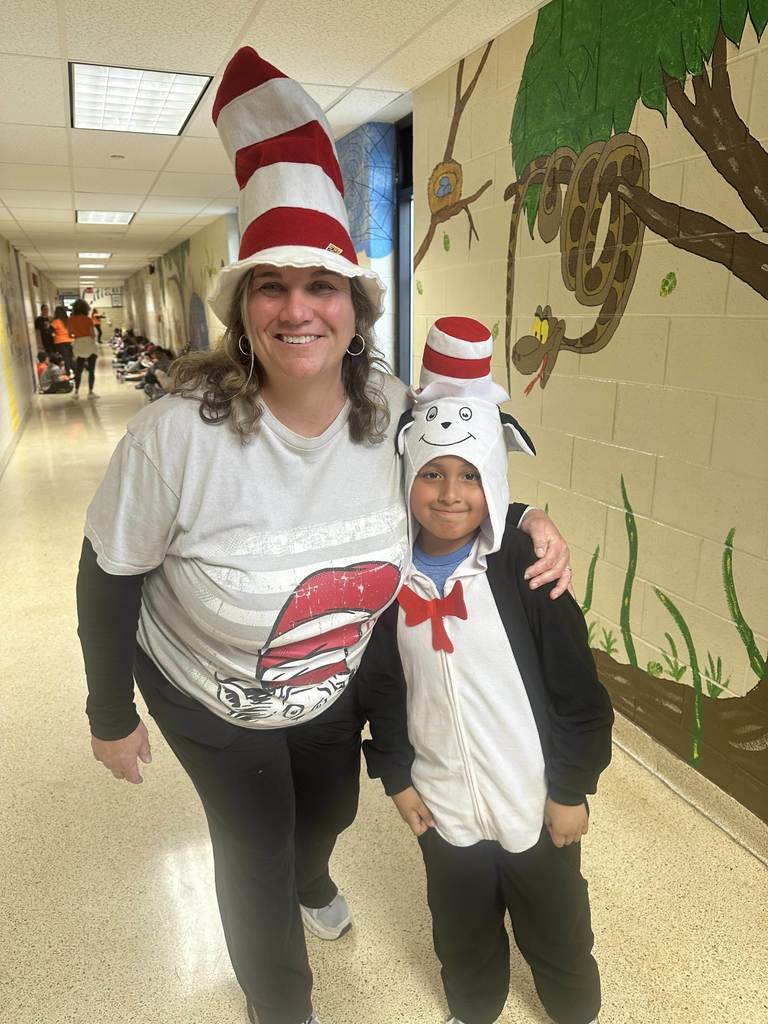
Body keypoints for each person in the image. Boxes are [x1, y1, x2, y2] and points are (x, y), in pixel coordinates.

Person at [76, 49, 574, 1024]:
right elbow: (108, 574)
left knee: (330, 815)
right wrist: (108, 710)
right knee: (254, 840)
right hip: (205, 692)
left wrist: (525, 522)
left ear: (355, 309)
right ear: (242, 310)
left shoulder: (394, 410)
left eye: (322, 286)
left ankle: (312, 877)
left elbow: (455, 495)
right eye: (271, 286)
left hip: (331, 674)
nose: (297, 306)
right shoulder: (178, 431)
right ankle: (281, 1003)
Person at [360, 317, 614, 1024]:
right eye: (432, 475)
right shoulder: (390, 583)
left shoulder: (526, 574)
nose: (449, 494)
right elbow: (381, 692)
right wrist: (398, 777)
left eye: (470, 476)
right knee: (461, 933)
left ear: (495, 478)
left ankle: (574, 1009)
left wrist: (571, 789)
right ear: (408, 477)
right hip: (444, 809)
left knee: (558, 928)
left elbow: (579, 697)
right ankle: (473, 1009)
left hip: (533, 801)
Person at [69, 298, 100, 399]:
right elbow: (92, 335)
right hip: (89, 344)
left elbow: (70, 334)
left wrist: (78, 335)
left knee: (78, 370)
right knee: (91, 370)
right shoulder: (88, 320)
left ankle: (76, 392)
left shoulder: (71, 319)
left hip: (78, 344)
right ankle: (90, 393)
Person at [50, 305, 73, 375]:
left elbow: (50, 330)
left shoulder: (56, 321)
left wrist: (54, 335)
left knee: (65, 357)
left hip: (61, 342)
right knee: (70, 357)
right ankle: (73, 370)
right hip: (70, 341)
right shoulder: (68, 320)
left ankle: (68, 372)